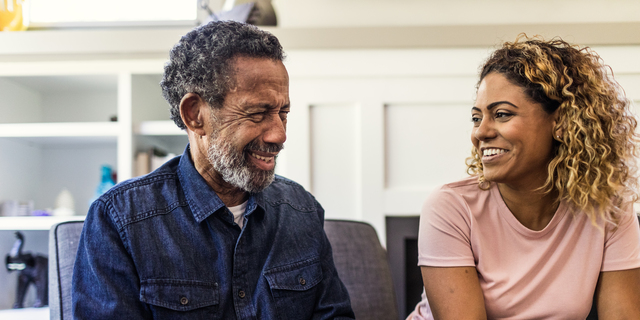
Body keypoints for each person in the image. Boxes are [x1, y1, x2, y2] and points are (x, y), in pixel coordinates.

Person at [72, 21, 355, 319]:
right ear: (195, 115)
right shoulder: (119, 220)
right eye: (258, 113)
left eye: (283, 113)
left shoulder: (302, 210)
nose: (279, 135)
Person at [408, 35, 640, 319]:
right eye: (476, 117)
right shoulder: (451, 206)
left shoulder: (609, 209)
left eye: (502, 114)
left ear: (562, 123)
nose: (480, 132)